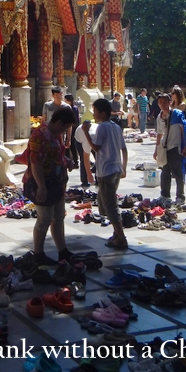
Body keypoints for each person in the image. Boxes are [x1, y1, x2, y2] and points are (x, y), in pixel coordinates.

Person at [23, 105, 78, 264]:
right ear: (59, 122)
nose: (66, 130)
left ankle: (63, 251)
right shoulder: (40, 135)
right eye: (66, 127)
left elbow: (56, 155)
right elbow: (36, 163)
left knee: (58, 217)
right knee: (44, 218)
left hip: (57, 183)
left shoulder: (55, 134)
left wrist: (66, 161)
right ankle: (38, 254)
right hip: (43, 183)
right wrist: (41, 186)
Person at [82, 99, 128, 250]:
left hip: (106, 171)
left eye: (95, 111)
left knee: (110, 205)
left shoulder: (102, 128)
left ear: (102, 113)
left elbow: (96, 147)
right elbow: (124, 149)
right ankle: (116, 234)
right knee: (105, 204)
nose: (94, 115)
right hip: (115, 169)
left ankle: (121, 237)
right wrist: (124, 168)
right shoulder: (116, 127)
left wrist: (85, 132)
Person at [154, 93, 186, 207]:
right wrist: (156, 149)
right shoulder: (159, 116)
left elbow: (184, 130)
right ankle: (165, 195)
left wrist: (185, 146)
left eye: (165, 101)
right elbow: (159, 133)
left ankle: (180, 196)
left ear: (169, 102)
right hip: (164, 148)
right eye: (160, 102)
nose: (162, 104)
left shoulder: (177, 114)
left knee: (178, 172)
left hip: (176, 147)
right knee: (165, 171)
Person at [74, 119, 95, 188]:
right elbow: (86, 156)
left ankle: (98, 178)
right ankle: (84, 180)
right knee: (83, 160)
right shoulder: (86, 135)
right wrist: (89, 174)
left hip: (92, 139)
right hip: (79, 140)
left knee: (98, 158)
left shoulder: (95, 130)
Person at [63, 93, 80, 168]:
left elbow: (75, 119)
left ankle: (75, 161)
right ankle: (68, 161)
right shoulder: (68, 108)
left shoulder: (73, 108)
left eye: (66, 100)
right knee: (67, 145)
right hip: (68, 127)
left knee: (71, 144)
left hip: (73, 128)